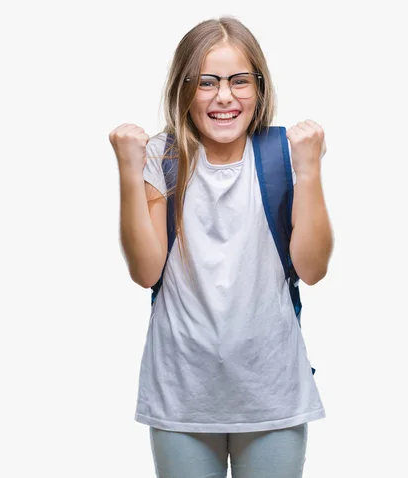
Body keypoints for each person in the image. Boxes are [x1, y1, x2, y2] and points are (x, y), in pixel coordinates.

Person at [109, 15, 334, 478]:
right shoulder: (162, 158)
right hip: (182, 393)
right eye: (207, 82)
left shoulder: (284, 154)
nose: (225, 96)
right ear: (183, 88)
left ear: (260, 88)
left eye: (239, 81)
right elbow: (146, 271)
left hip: (271, 392)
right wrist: (131, 174)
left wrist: (309, 172)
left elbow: (312, 268)